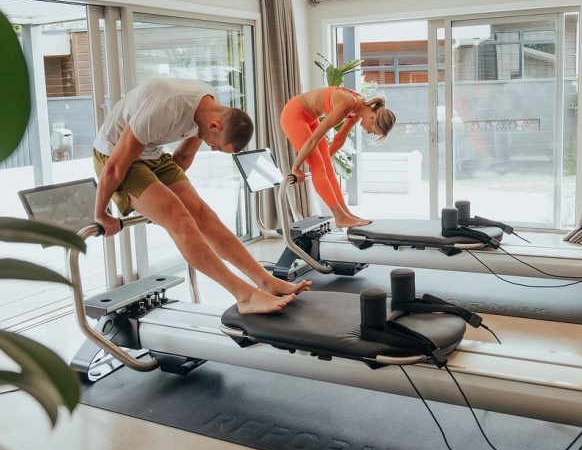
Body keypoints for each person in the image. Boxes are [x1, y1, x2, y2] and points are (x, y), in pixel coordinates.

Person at [93, 77, 309, 314]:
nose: (213, 149)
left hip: (152, 155)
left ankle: (265, 281)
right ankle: (244, 296)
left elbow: (183, 158)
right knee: (180, 220)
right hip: (114, 156)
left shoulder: (207, 107)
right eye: (217, 145)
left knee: (205, 215)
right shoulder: (166, 106)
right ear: (215, 127)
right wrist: (101, 214)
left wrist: (161, 197)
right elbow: (114, 168)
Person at [280, 86, 396, 228]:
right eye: (373, 131)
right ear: (373, 119)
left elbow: (339, 139)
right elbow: (313, 139)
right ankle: (340, 217)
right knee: (319, 167)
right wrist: (296, 167)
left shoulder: (358, 108)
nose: (368, 132)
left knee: (326, 166)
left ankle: (346, 214)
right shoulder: (349, 102)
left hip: (310, 118)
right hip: (294, 115)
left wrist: (325, 160)